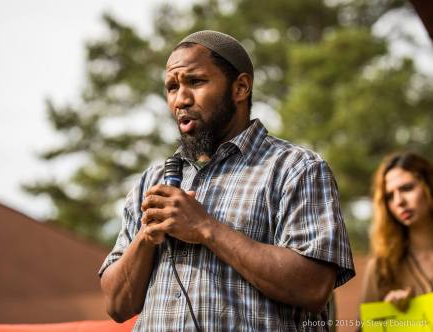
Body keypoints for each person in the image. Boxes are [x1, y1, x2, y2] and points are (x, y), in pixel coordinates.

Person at [99, 30, 355, 331]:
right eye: (171, 87)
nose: (180, 99)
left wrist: (205, 227)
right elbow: (117, 305)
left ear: (240, 88)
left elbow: (312, 287)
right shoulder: (151, 181)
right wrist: (146, 236)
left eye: (195, 82)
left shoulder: (296, 168)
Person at [361, 152, 433, 311]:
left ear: (429, 186)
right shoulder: (382, 267)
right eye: (389, 196)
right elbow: (366, 327)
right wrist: (388, 313)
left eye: (407, 188)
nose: (399, 201)